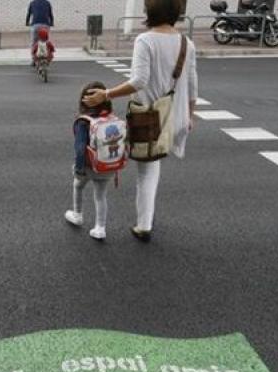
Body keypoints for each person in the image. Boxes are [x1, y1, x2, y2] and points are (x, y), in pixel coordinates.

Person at [82, 0, 198, 243]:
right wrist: (190, 114)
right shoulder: (187, 44)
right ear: (176, 12)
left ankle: (143, 224)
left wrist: (107, 94)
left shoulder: (145, 40)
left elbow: (139, 81)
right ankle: (145, 218)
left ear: (149, 11)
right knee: (153, 167)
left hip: (149, 119)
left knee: (145, 169)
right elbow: (192, 83)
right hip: (174, 116)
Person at [65, 82, 116, 241]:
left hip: (89, 165)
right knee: (100, 196)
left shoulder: (83, 121)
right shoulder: (110, 118)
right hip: (107, 166)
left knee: (78, 186)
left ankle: (77, 214)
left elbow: (80, 148)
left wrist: (79, 169)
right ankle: (100, 228)